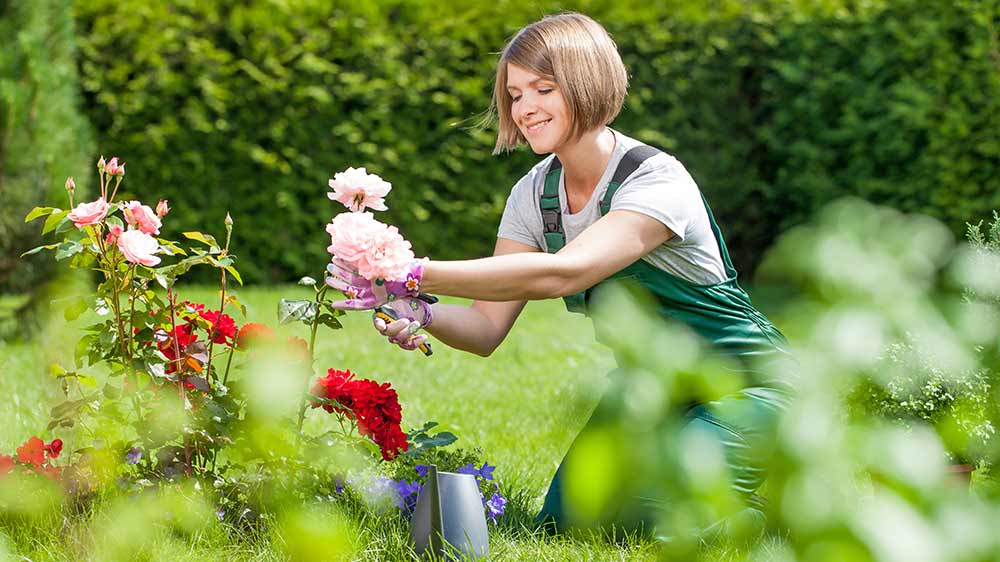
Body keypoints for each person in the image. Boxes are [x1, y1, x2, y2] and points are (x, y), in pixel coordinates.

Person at [326, 12, 794, 535]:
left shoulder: (657, 180)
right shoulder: (534, 194)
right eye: (515, 93)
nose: (524, 108)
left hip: (752, 388)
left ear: (586, 83)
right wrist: (418, 310)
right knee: (565, 526)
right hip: (650, 391)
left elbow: (562, 274)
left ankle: (773, 515)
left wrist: (412, 273)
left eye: (542, 89)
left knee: (664, 524)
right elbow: (485, 330)